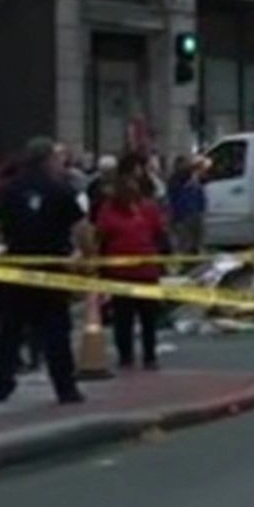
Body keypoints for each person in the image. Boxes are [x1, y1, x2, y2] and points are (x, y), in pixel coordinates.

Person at [0, 137, 92, 405]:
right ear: (47, 159)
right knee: (56, 329)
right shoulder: (60, 190)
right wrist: (86, 256)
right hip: (52, 267)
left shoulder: (8, 188)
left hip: (16, 266)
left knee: (9, 329)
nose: (61, 164)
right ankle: (65, 388)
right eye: (58, 158)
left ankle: (2, 383)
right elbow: (81, 228)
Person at [95, 154, 169, 370]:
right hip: (120, 274)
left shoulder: (148, 209)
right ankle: (125, 356)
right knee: (123, 319)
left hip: (147, 272)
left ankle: (149, 355)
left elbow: (158, 234)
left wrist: (162, 259)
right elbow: (101, 238)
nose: (131, 193)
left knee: (148, 319)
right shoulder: (108, 210)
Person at [167, 155, 206, 254]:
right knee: (185, 246)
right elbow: (174, 199)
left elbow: (200, 196)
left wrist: (201, 209)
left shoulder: (193, 180)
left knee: (196, 244)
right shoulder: (174, 181)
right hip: (183, 217)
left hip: (194, 215)